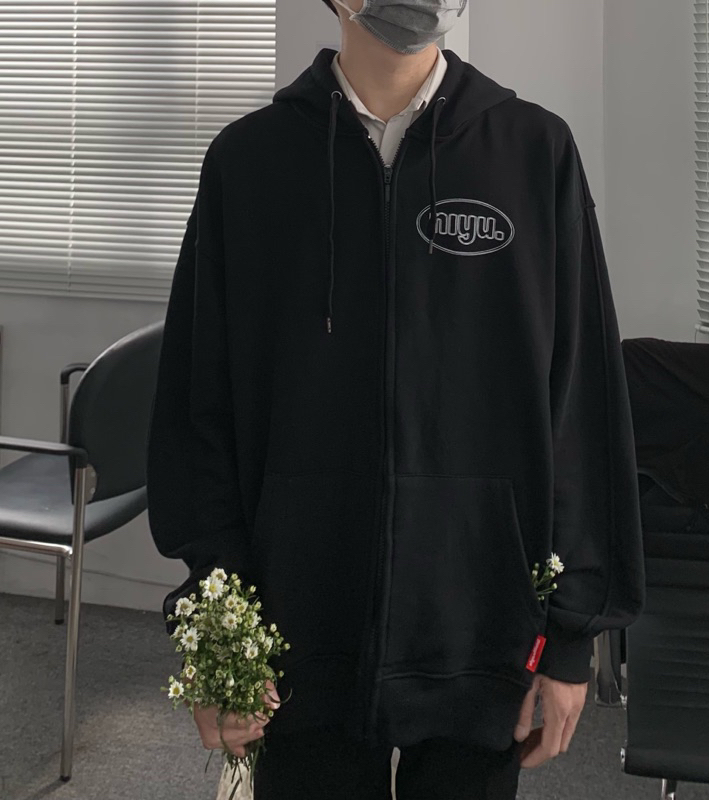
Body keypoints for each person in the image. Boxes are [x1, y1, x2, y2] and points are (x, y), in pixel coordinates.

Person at [145, 1, 646, 798]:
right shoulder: (249, 161)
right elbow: (199, 409)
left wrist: (572, 639)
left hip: (480, 628)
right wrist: (218, 633)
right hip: (295, 630)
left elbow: (581, 405)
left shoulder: (533, 151)